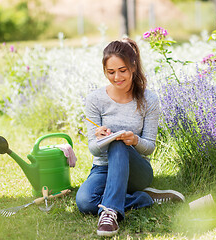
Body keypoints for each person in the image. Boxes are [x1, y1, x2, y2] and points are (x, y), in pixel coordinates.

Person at [75, 38, 185, 237]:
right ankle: (144, 199)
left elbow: (150, 147)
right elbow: (93, 149)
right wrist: (99, 139)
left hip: (137, 171)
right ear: (105, 71)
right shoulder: (95, 100)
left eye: (122, 70)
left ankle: (109, 213)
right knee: (85, 202)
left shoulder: (149, 100)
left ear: (133, 67)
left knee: (118, 145)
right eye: (111, 72)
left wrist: (134, 141)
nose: (117, 77)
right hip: (103, 168)